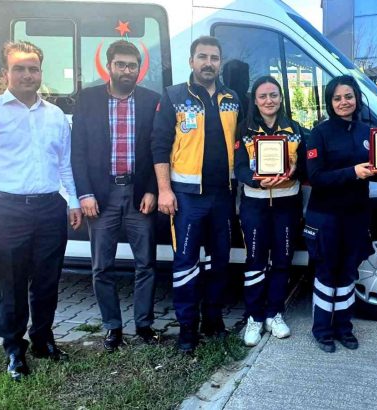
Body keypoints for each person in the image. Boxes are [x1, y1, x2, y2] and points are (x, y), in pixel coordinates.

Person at [0, 41, 83, 381]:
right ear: (5, 74)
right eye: (20, 69)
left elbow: (64, 164)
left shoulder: (55, 116)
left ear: (41, 73)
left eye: (33, 69)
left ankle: (43, 340)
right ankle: (14, 349)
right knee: (11, 285)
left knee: (47, 281)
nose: (28, 75)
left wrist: (72, 201)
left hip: (49, 208)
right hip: (5, 209)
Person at [151, 36, 241, 354]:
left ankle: (213, 321)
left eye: (214, 58)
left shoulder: (233, 98)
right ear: (191, 61)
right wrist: (164, 190)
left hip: (223, 196)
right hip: (187, 197)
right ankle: (187, 329)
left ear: (220, 63)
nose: (208, 63)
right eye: (202, 57)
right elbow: (159, 145)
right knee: (186, 262)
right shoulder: (174, 96)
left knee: (220, 261)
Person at [71, 40, 161, 352]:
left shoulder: (151, 101)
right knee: (102, 267)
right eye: (120, 64)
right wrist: (84, 194)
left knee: (146, 264)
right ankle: (112, 327)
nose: (126, 70)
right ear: (108, 66)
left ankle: (144, 325)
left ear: (139, 69)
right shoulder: (88, 99)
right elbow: (77, 151)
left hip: (138, 195)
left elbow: (158, 149)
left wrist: (152, 189)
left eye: (132, 65)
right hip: (101, 196)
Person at [304, 75, 377, 353]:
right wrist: (353, 172)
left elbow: (375, 174)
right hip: (325, 217)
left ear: (356, 98)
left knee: (349, 273)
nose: (343, 102)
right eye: (337, 98)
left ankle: (344, 328)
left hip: (356, 216)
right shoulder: (320, 133)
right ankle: (322, 330)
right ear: (330, 102)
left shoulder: (368, 132)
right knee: (327, 273)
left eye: (348, 96)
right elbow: (316, 177)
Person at [234, 75, 306, 346]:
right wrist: (256, 180)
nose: (269, 100)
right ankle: (254, 317)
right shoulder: (244, 130)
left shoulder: (295, 129)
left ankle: (274, 314)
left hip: (287, 205)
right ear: (255, 100)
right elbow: (239, 167)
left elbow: (306, 166)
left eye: (273, 95)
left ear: (281, 98)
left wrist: (293, 170)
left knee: (282, 261)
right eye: (263, 96)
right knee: (255, 261)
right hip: (255, 204)